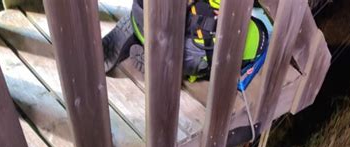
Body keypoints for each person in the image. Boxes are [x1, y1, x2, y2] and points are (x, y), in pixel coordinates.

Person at [103, 0, 271, 81]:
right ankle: (171, 64)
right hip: (179, 40)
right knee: (251, 38)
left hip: (147, 14)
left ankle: (142, 27)